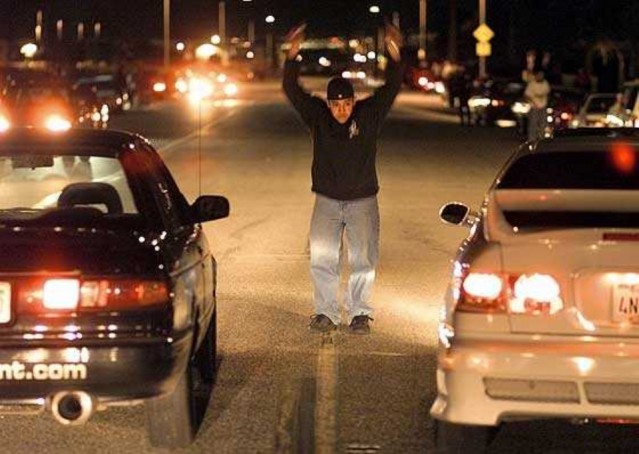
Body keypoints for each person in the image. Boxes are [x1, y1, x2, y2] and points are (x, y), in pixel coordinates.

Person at [282, 22, 404, 335]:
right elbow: (292, 90)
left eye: (346, 104)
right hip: (326, 201)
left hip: (363, 201)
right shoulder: (318, 116)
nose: (341, 110)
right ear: (328, 104)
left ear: (353, 101)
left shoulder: (369, 114)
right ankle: (326, 313)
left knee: (363, 260)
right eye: (335, 105)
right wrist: (292, 55)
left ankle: (360, 313)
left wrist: (394, 53)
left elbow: (391, 87)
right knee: (322, 259)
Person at [524, 70, 551, 142]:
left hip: (543, 106)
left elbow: (547, 93)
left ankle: (541, 139)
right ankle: (531, 139)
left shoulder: (545, 83)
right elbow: (527, 95)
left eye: (542, 75)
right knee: (533, 123)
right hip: (534, 107)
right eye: (539, 75)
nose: (540, 77)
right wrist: (532, 102)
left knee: (543, 123)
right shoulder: (532, 84)